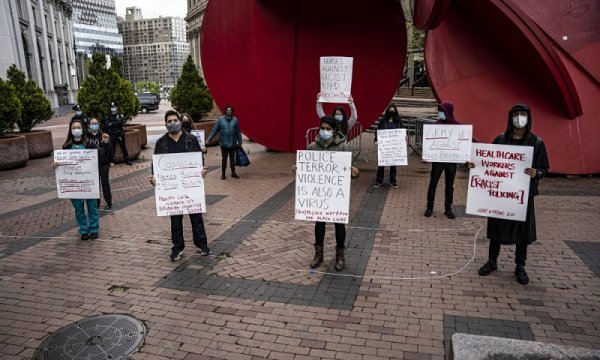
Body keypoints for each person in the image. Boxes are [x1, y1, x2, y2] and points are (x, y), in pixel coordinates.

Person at [475, 104, 549, 285]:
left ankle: (520, 266)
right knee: (496, 227)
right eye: (516, 114)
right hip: (501, 194)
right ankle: (492, 261)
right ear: (510, 117)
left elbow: (544, 167)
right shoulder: (500, 139)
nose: (519, 117)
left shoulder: (536, 142)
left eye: (523, 114)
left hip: (522, 196)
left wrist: (537, 173)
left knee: (522, 231)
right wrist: (475, 165)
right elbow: (488, 162)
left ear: (528, 117)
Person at [292, 116, 360, 271]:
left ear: (334, 130)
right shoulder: (312, 147)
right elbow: (307, 172)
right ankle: (318, 254)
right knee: (319, 223)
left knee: (339, 225)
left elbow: (352, 170)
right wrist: (298, 170)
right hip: (320, 196)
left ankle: (340, 256)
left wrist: (354, 172)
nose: (325, 131)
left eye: (328, 129)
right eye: (322, 128)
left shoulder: (343, 147)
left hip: (336, 196)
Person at [149, 110, 211, 261]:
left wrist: (202, 170)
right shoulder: (161, 143)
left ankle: (201, 244)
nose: (172, 123)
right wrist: (154, 178)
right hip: (171, 190)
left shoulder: (190, 139)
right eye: (169, 121)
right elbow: (155, 164)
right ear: (165, 124)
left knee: (196, 216)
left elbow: (199, 160)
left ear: (180, 121)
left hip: (190, 187)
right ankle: (177, 247)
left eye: (174, 120)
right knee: (175, 220)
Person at [53, 118, 99, 240]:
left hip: (89, 183)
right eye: (74, 128)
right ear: (70, 130)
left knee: (92, 207)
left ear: (83, 129)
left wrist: (104, 145)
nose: (76, 130)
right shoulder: (67, 146)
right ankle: (83, 230)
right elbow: (62, 163)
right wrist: (56, 164)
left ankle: (94, 229)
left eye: (78, 127)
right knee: (78, 208)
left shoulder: (90, 144)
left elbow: (100, 158)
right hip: (74, 184)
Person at [424, 102, 461, 219]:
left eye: (442, 111)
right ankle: (429, 207)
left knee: (449, 186)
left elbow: (462, 143)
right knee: (433, 183)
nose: (440, 113)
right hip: (438, 160)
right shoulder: (436, 125)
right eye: (439, 110)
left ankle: (448, 209)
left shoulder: (458, 126)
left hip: (451, 160)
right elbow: (429, 142)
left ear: (448, 112)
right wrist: (427, 155)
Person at [207, 105, 242, 180]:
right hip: (224, 144)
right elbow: (214, 130)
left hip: (233, 143)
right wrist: (209, 139)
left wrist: (240, 141)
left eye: (230, 110)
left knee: (232, 159)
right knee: (224, 159)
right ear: (225, 111)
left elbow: (238, 132)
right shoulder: (220, 120)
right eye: (227, 110)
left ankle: (233, 172)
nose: (229, 112)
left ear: (232, 112)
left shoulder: (235, 120)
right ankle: (223, 174)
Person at [87, 117, 114, 210]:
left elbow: (110, 148)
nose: (94, 125)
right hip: (92, 165)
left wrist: (111, 160)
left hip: (104, 163)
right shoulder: (87, 137)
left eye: (96, 123)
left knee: (105, 183)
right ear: (89, 126)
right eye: (92, 123)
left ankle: (109, 203)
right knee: (95, 185)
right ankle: (97, 204)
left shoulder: (103, 135)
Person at [374, 104, 402, 188]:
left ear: (396, 111)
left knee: (393, 165)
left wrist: (404, 138)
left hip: (394, 147)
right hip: (384, 147)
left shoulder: (398, 121)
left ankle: (393, 181)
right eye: (390, 110)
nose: (392, 112)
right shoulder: (383, 121)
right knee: (381, 164)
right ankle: (379, 181)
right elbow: (378, 130)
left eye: (393, 111)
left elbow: (402, 131)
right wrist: (376, 139)